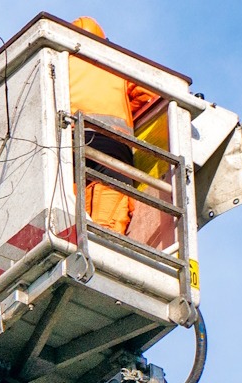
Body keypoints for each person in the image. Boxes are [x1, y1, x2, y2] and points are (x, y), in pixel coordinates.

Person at [67, 16, 157, 235]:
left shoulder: (60, 59)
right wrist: (126, 107)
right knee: (110, 197)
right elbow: (148, 95)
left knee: (72, 200)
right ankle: (104, 241)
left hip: (66, 144)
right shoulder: (114, 63)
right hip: (109, 143)